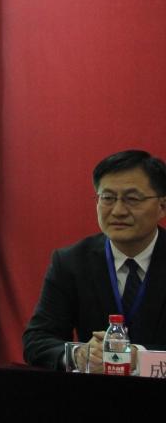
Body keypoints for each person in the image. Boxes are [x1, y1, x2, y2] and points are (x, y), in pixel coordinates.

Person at [23, 149, 166, 371]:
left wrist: (139, 357)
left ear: (162, 206)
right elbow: (37, 340)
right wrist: (78, 355)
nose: (118, 211)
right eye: (108, 198)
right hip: (93, 390)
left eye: (132, 199)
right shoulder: (71, 262)